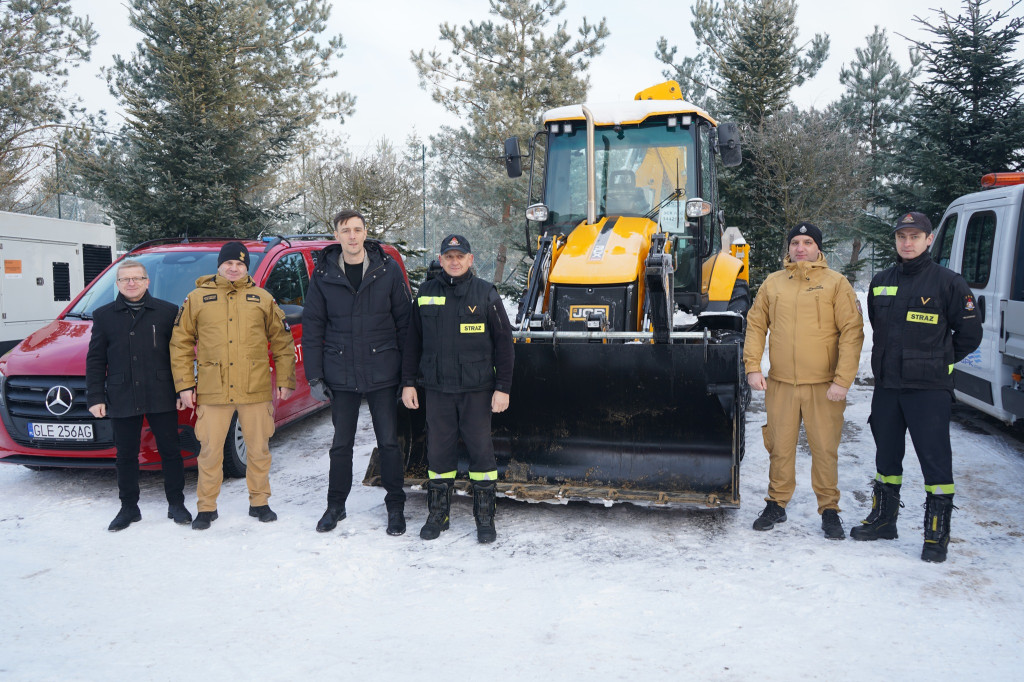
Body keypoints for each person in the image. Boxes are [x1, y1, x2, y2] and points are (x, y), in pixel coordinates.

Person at [853, 211, 982, 562]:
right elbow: (878, 326)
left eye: (914, 236)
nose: (907, 243)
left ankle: (935, 534)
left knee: (935, 463)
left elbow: (970, 334)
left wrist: (938, 361)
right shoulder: (881, 281)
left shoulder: (948, 283)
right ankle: (884, 521)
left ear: (928, 240)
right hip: (888, 389)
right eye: (901, 237)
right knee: (886, 457)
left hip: (928, 391)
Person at [744, 222, 864, 539]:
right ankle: (776, 504)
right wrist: (752, 366)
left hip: (824, 386)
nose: (800, 247)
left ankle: (829, 510)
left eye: (807, 242)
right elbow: (756, 326)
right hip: (781, 384)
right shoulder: (773, 284)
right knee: (779, 448)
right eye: (795, 242)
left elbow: (852, 334)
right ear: (789, 248)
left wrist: (843, 380)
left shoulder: (836, 284)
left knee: (824, 450)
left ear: (818, 247)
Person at [170, 242, 296, 530]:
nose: (234, 268)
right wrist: (185, 385)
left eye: (240, 264)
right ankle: (206, 507)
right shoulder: (197, 299)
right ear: (219, 265)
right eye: (229, 263)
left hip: (255, 388)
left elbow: (282, 341)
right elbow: (180, 344)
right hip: (214, 389)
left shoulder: (262, 298)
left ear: (246, 267)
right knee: (210, 451)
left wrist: (286, 379)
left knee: (258, 449)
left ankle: (259, 502)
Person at [301, 209, 412, 536]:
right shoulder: (323, 274)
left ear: (365, 233)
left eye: (357, 229)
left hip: (383, 370)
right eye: (345, 230)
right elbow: (312, 328)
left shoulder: (387, 270)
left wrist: (408, 377)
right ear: (336, 235)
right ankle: (336, 506)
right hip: (341, 372)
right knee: (341, 445)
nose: (352, 235)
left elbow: (405, 324)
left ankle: (395, 506)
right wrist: (315, 376)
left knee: (389, 442)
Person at [401, 234, 514, 543]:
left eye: (459, 256)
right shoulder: (425, 294)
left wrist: (502, 387)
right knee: (438, 454)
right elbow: (412, 343)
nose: (453, 261)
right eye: (448, 256)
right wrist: (408, 382)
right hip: (437, 391)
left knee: (481, 454)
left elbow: (505, 344)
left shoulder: (486, 294)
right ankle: (439, 514)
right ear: (441, 260)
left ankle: (485, 518)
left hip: (477, 391)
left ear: (470, 259)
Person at [87, 259, 191, 531]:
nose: (131, 283)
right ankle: (129, 508)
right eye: (125, 279)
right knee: (125, 455)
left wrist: (182, 388)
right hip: (121, 394)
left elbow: (181, 355)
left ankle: (176, 504)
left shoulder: (168, 312)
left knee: (170, 451)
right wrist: (95, 397)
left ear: (147, 281)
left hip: (162, 392)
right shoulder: (103, 315)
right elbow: (96, 360)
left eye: (136, 278)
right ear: (118, 284)